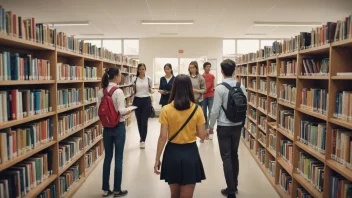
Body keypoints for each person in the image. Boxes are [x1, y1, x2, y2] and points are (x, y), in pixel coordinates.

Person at [154, 74, 207, 198]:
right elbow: (202, 136)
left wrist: (157, 159)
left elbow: (162, 137)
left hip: (172, 153)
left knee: (174, 194)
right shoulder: (197, 109)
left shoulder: (166, 109)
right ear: (189, 88)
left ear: (174, 88)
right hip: (190, 153)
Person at [209, 59, 247, 198]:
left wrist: (210, 127)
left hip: (224, 127)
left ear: (222, 71)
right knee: (234, 154)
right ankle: (235, 185)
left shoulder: (220, 88)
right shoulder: (241, 86)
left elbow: (214, 111)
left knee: (226, 158)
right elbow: (245, 106)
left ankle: (230, 190)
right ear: (234, 71)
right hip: (237, 126)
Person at [97, 68, 131, 197]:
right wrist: (129, 110)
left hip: (106, 128)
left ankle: (106, 189)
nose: (121, 77)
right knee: (119, 158)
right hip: (118, 127)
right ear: (116, 77)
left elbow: (98, 109)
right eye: (120, 75)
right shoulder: (118, 91)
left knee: (107, 158)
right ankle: (117, 189)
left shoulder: (101, 92)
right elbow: (121, 111)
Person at [132, 63, 154, 149]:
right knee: (139, 120)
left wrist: (151, 91)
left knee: (144, 121)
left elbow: (150, 90)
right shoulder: (134, 79)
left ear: (145, 69)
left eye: (143, 69)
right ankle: (141, 136)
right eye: (140, 69)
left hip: (146, 100)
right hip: (137, 100)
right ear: (138, 70)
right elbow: (134, 91)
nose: (141, 71)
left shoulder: (149, 79)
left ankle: (143, 140)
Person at [202, 62, 216, 140]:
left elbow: (214, 85)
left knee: (211, 112)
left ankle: (211, 129)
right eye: (207, 67)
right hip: (204, 96)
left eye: (209, 67)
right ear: (204, 68)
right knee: (204, 113)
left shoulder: (212, 76)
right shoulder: (201, 76)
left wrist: (213, 89)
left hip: (211, 96)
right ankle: (205, 129)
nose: (208, 68)